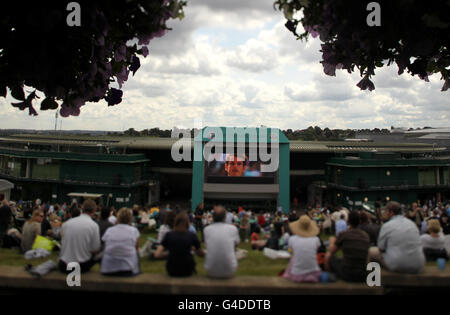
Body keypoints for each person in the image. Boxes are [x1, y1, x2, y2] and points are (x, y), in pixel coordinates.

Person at [369, 202, 425, 274]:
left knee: (372, 251)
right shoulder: (412, 224)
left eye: (386, 211)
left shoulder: (387, 226)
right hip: (419, 265)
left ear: (391, 212)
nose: (384, 213)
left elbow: (381, 248)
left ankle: (375, 281)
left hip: (398, 265)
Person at [154, 212, 205, 277]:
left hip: (172, 270)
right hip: (188, 270)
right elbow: (201, 254)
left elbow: (157, 254)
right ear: (187, 223)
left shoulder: (169, 235)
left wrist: (170, 254)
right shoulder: (192, 235)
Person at [325, 211, 370, 282]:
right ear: (359, 222)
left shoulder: (344, 234)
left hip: (347, 273)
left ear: (348, 221)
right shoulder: (365, 236)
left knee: (329, 256)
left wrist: (332, 242)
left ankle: (331, 278)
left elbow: (332, 251)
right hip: (362, 273)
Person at [58, 199, 101, 273]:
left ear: (82, 209)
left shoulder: (67, 223)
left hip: (63, 265)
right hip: (80, 266)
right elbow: (95, 249)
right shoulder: (94, 225)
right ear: (94, 211)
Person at [101, 208, 140, 276]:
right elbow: (136, 248)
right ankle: (137, 269)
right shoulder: (134, 231)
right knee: (136, 252)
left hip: (107, 269)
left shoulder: (109, 230)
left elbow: (105, 245)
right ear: (130, 219)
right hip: (128, 269)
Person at [203, 205, 240, 278]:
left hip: (210, 270)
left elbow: (207, 245)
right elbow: (235, 245)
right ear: (225, 217)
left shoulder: (206, 229)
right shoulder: (233, 229)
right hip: (229, 270)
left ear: (213, 217)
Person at [282, 215, 322, 283]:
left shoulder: (292, 239)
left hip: (296, 274)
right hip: (314, 272)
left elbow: (291, 253)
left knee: (293, 259)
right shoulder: (316, 239)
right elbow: (316, 252)